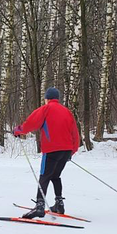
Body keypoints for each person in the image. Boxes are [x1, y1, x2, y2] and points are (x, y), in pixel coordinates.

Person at [12, 87, 80, 218]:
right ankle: (59, 204)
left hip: (51, 150)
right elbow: (75, 133)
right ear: (57, 99)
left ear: (47, 98)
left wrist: (18, 130)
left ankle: (39, 206)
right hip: (66, 150)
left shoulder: (46, 109)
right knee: (55, 176)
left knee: (44, 176)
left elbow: (31, 124)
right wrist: (72, 151)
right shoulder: (67, 112)